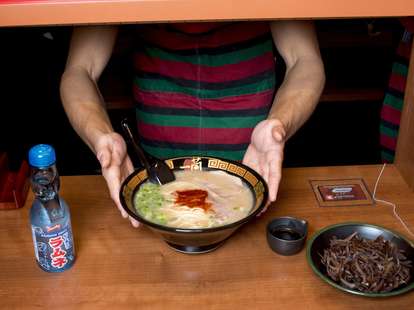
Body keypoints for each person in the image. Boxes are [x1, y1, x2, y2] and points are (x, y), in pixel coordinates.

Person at [60, 21, 325, 227]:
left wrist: (278, 125)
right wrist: (101, 136)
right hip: (157, 168)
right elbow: (80, 70)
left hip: (252, 161)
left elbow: (305, 60)